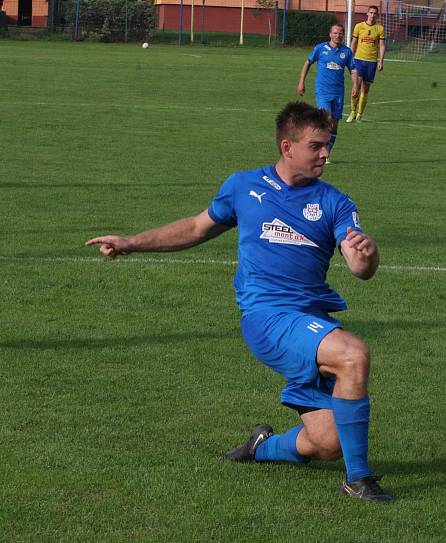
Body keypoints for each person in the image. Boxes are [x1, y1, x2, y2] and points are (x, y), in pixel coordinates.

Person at [85, 101, 394, 503]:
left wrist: (366, 256)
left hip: (310, 320)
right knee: (353, 354)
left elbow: (358, 265)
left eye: (327, 145)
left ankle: (261, 447)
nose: (326, 154)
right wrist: (132, 242)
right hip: (266, 317)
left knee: (327, 442)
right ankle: (359, 479)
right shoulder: (243, 186)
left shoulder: (335, 201)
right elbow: (197, 227)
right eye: (316, 146)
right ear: (287, 146)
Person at [298, 23, 357, 164]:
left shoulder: (347, 52)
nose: (338, 36)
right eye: (335, 33)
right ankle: (315, 148)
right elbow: (307, 63)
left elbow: (353, 69)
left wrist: (355, 85)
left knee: (334, 124)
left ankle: (326, 153)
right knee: (327, 119)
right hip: (323, 91)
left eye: (340, 33)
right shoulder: (320, 48)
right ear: (330, 34)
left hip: (338, 93)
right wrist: (301, 82)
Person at [347, 5, 385, 123]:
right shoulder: (359, 26)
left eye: (375, 13)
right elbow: (354, 42)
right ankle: (353, 111)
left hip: (371, 62)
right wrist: (349, 57)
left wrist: (381, 60)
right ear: (367, 14)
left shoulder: (379, 28)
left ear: (377, 15)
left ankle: (359, 114)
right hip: (358, 60)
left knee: (365, 89)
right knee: (355, 87)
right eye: (371, 12)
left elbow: (382, 45)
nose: (373, 15)